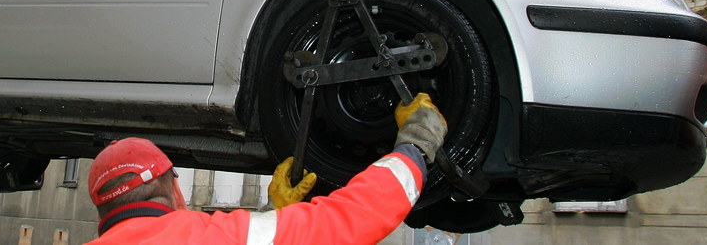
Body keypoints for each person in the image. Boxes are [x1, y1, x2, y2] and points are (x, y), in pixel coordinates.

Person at [84, 92, 448, 244]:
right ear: (171, 186)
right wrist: (417, 143)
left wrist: (275, 214)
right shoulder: (213, 236)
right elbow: (349, 221)